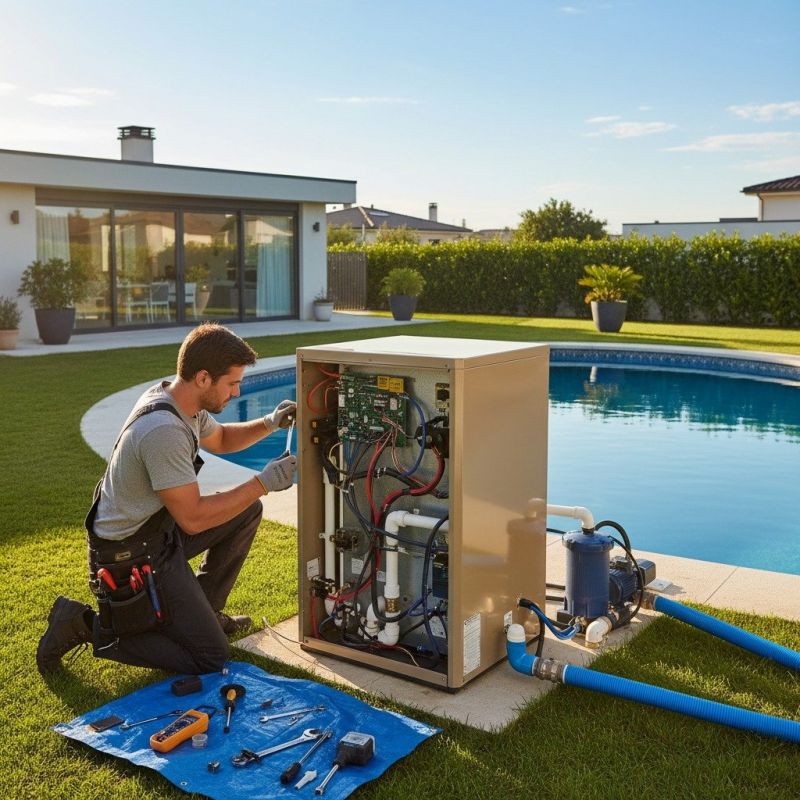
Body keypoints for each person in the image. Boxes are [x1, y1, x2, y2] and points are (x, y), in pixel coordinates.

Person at [36, 323, 297, 676]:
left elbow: (220, 439)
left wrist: (269, 422)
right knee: (210, 658)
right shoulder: (163, 431)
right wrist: (263, 482)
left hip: (158, 532)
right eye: (232, 383)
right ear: (203, 378)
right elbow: (194, 518)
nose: (236, 392)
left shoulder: (180, 400)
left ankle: (206, 611)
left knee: (246, 510)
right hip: (128, 554)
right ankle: (85, 625)